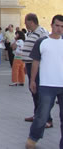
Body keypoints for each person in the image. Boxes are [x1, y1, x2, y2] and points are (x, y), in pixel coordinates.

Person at [25, 15, 63, 149]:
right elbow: (35, 62)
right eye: (57, 25)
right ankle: (32, 139)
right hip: (47, 85)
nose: (59, 29)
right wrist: (33, 81)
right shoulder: (42, 42)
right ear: (52, 25)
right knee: (42, 115)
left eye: (62, 26)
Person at [22, 13, 51, 125]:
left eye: (26, 21)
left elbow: (44, 49)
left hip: (37, 66)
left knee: (39, 92)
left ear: (31, 22)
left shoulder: (41, 32)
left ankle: (47, 119)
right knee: (34, 91)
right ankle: (37, 115)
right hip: (29, 64)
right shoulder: (32, 33)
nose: (25, 24)